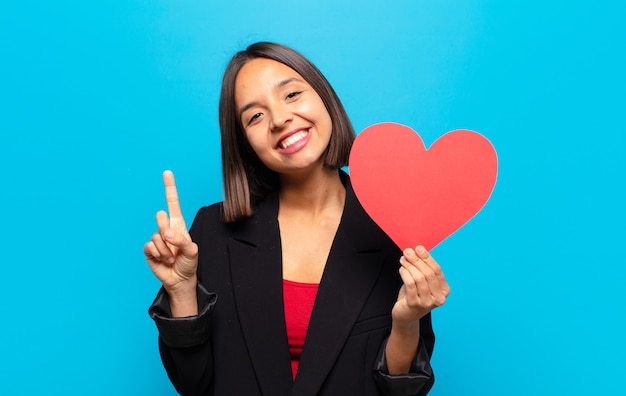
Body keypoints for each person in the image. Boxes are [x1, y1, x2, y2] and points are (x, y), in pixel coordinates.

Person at [145, 42, 450, 396]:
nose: (279, 119)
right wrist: (182, 291)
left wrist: (407, 321)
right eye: (255, 116)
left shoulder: (391, 229)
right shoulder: (212, 233)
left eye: (291, 94)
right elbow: (194, 384)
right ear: (244, 143)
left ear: (324, 98)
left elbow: (399, 392)